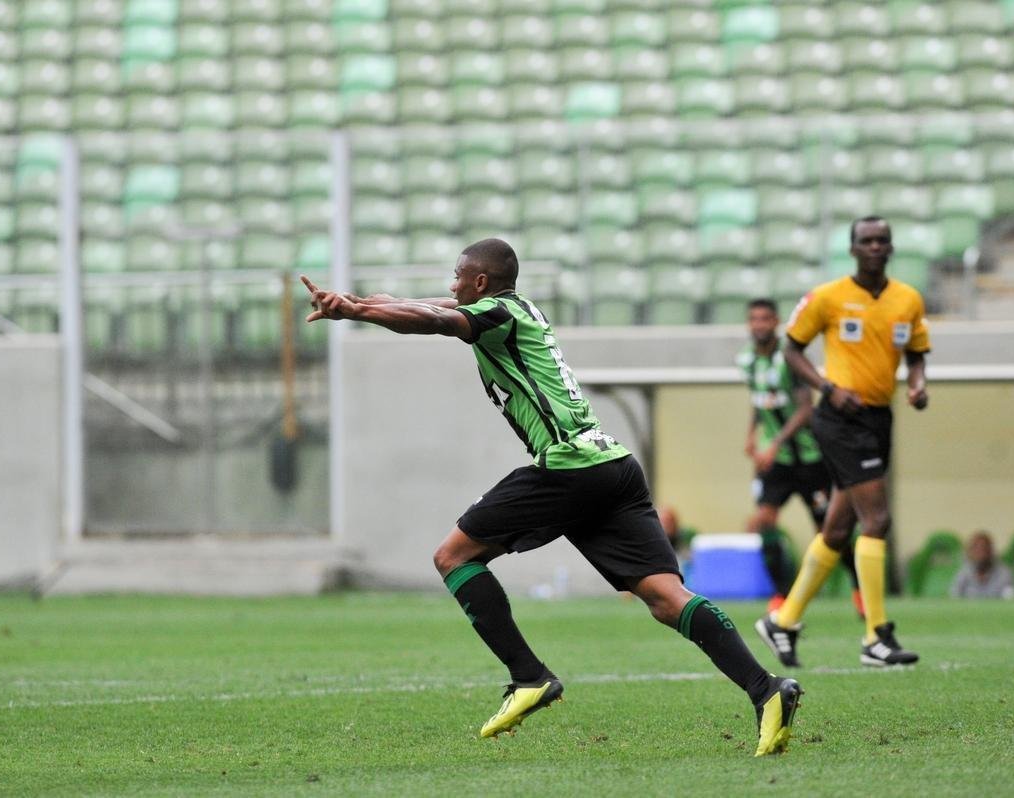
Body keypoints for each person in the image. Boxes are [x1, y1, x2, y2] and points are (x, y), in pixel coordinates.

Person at [300, 238, 802, 756]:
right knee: (663, 597)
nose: (451, 285)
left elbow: (434, 320)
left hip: (568, 466)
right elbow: (427, 306)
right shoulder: (515, 306)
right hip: (613, 465)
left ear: (479, 282)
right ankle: (767, 690)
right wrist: (356, 303)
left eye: (457, 276)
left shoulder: (492, 313)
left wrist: (360, 311)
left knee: (453, 556)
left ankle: (528, 677)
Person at [754, 216, 931, 668]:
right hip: (838, 419)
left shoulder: (907, 299)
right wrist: (828, 388)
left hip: (878, 418)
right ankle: (877, 636)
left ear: (891, 248)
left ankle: (783, 620)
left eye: (881, 240)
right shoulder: (828, 297)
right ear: (852, 249)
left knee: (836, 529)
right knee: (877, 519)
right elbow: (792, 350)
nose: (874, 246)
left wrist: (916, 383)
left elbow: (915, 353)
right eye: (865, 240)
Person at [737, 298, 861, 614]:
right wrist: (752, 435)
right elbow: (759, 401)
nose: (759, 325)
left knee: (830, 531)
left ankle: (859, 588)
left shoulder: (788, 359)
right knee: (764, 521)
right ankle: (781, 594)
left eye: (765, 319)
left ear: (776, 322)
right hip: (776, 464)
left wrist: (775, 442)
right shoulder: (747, 360)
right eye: (754, 319)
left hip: (808, 460)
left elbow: (806, 408)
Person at [950, 531, 1014, 599]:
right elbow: (954, 595)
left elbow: (1010, 598)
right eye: (976, 549)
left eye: (983, 549)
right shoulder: (965, 572)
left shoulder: (1004, 573)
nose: (980, 554)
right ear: (970, 552)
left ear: (991, 551)